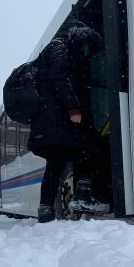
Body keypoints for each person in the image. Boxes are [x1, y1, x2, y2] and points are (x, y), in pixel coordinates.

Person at [28, 19, 109, 223]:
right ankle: (82, 196)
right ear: (76, 35)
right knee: (93, 147)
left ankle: (46, 209)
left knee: (57, 162)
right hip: (60, 119)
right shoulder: (59, 46)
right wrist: (73, 106)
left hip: (53, 123)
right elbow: (59, 76)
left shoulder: (54, 48)